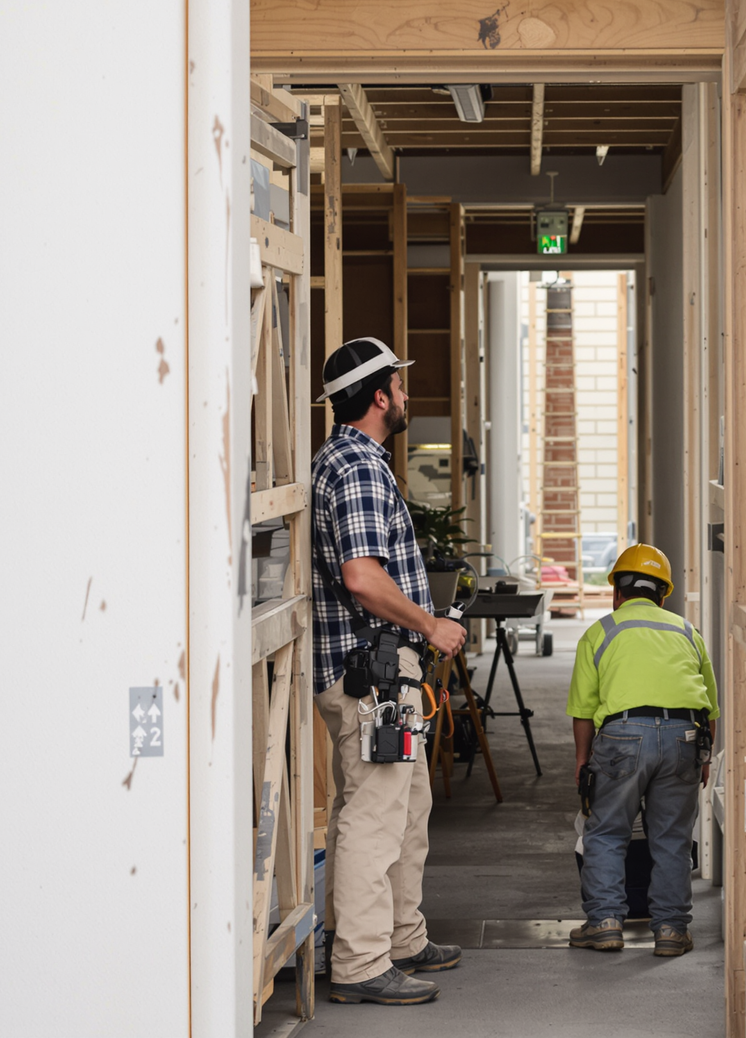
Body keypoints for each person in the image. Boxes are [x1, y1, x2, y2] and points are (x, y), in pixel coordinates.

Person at [311, 337, 468, 1006]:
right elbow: (362, 575)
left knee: (401, 803)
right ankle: (362, 962)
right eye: (399, 387)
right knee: (376, 814)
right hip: (374, 676)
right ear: (380, 396)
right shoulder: (360, 469)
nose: (406, 395)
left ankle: (400, 935)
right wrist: (431, 624)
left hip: (374, 674)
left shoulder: (346, 460)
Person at [565, 543, 719, 958]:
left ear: (617, 591)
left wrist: (583, 761)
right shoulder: (687, 631)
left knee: (607, 832)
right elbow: (710, 705)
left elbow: (582, 710)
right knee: (672, 838)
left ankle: (605, 923)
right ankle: (671, 930)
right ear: (663, 595)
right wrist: (703, 757)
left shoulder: (600, 632)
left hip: (622, 736)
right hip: (684, 735)